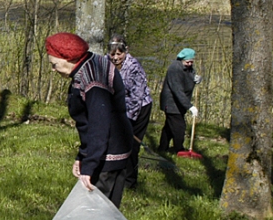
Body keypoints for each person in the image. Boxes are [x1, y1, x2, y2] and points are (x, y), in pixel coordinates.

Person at [46, 32, 133, 208]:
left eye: (54, 64)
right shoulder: (90, 64)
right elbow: (88, 122)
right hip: (108, 151)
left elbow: (99, 125)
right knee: (106, 215)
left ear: (68, 58)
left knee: (97, 216)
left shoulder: (93, 79)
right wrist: (82, 156)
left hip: (108, 157)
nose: (53, 69)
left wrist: (89, 167)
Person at [107, 35, 152, 188]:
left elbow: (136, 98)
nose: (115, 58)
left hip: (139, 108)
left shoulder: (134, 67)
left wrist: (126, 120)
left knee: (131, 145)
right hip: (119, 107)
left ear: (126, 52)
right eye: (112, 54)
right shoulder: (106, 63)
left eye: (119, 54)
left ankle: (129, 182)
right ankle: (114, 175)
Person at [158, 48, 199, 154]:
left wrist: (195, 79)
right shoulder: (175, 68)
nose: (190, 64)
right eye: (187, 62)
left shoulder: (188, 67)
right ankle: (179, 150)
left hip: (179, 104)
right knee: (179, 127)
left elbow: (188, 79)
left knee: (169, 127)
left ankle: (162, 148)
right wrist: (189, 106)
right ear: (182, 59)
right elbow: (178, 90)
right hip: (171, 103)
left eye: (191, 61)